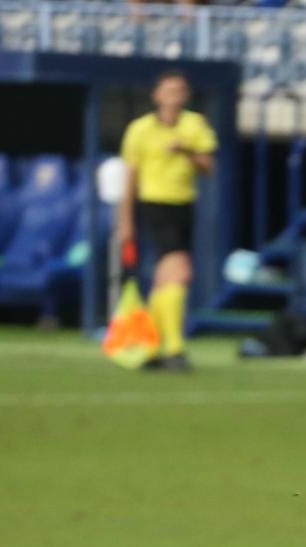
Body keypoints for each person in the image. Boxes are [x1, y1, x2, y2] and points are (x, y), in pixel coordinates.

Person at [117, 69, 217, 372]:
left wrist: (186, 150)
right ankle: (174, 348)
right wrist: (126, 220)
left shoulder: (194, 125)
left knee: (165, 280)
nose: (175, 96)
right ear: (157, 95)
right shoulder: (140, 130)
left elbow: (208, 166)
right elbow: (130, 178)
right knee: (181, 272)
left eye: (180, 90)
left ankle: (147, 347)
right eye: (169, 90)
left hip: (183, 205)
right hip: (155, 205)